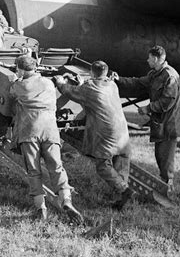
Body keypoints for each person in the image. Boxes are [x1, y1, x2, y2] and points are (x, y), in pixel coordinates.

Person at [9, 55, 83, 223]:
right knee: (57, 167)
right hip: (50, 130)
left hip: (30, 131)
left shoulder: (20, 85)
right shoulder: (49, 83)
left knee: (34, 170)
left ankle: (40, 208)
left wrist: (15, 78)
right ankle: (66, 199)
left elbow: (10, 93)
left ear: (20, 69)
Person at [54, 61, 133, 210]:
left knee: (103, 165)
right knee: (121, 163)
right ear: (106, 72)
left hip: (106, 134)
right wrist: (83, 83)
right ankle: (120, 199)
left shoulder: (89, 88)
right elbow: (96, 91)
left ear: (91, 72)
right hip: (122, 132)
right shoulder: (112, 85)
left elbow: (70, 91)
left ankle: (124, 190)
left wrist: (60, 83)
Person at [114, 45, 180, 195]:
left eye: (149, 58)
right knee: (160, 156)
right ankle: (164, 187)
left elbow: (167, 101)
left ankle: (168, 190)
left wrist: (148, 108)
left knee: (165, 159)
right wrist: (118, 79)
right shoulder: (155, 74)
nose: (147, 60)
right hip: (161, 122)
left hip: (169, 124)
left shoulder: (170, 76)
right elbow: (139, 82)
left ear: (156, 59)